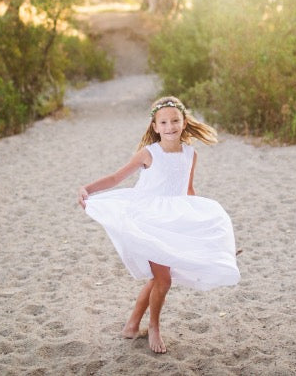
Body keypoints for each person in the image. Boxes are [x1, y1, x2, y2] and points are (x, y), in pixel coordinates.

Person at [78, 96, 240, 354]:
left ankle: (131, 326)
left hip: (173, 220)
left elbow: (188, 191)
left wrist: (200, 228)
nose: (170, 126)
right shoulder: (148, 153)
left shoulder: (190, 154)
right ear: (155, 126)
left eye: (175, 121)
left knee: (157, 279)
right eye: (163, 122)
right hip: (148, 220)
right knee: (163, 280)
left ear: (184, 122)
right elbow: (116, 177)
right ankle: (153, 327)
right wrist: (88, 189)